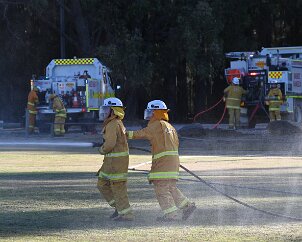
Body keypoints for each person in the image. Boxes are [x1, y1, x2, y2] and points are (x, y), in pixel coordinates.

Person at [127, 100, 196, 222]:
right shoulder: (170, 127)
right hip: (173, 161)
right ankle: (187, 206)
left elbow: (141, 133)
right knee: (170, 187)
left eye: (150, 112)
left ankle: (171, 215)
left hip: (163, 163)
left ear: (155, 112)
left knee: (161, 189)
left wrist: (124, 134)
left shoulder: (156, 125)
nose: (148, 115)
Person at [93, 97, 133, 221]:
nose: (104, 112)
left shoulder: (113, 124)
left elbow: (110, 144)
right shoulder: (114, 123)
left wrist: (101, 149)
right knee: (102, 184)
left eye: (106, 109)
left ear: (113, 111)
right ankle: (119, 208)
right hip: (110, 164)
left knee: (118, 189)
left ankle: (126, 214)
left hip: (116, 164)